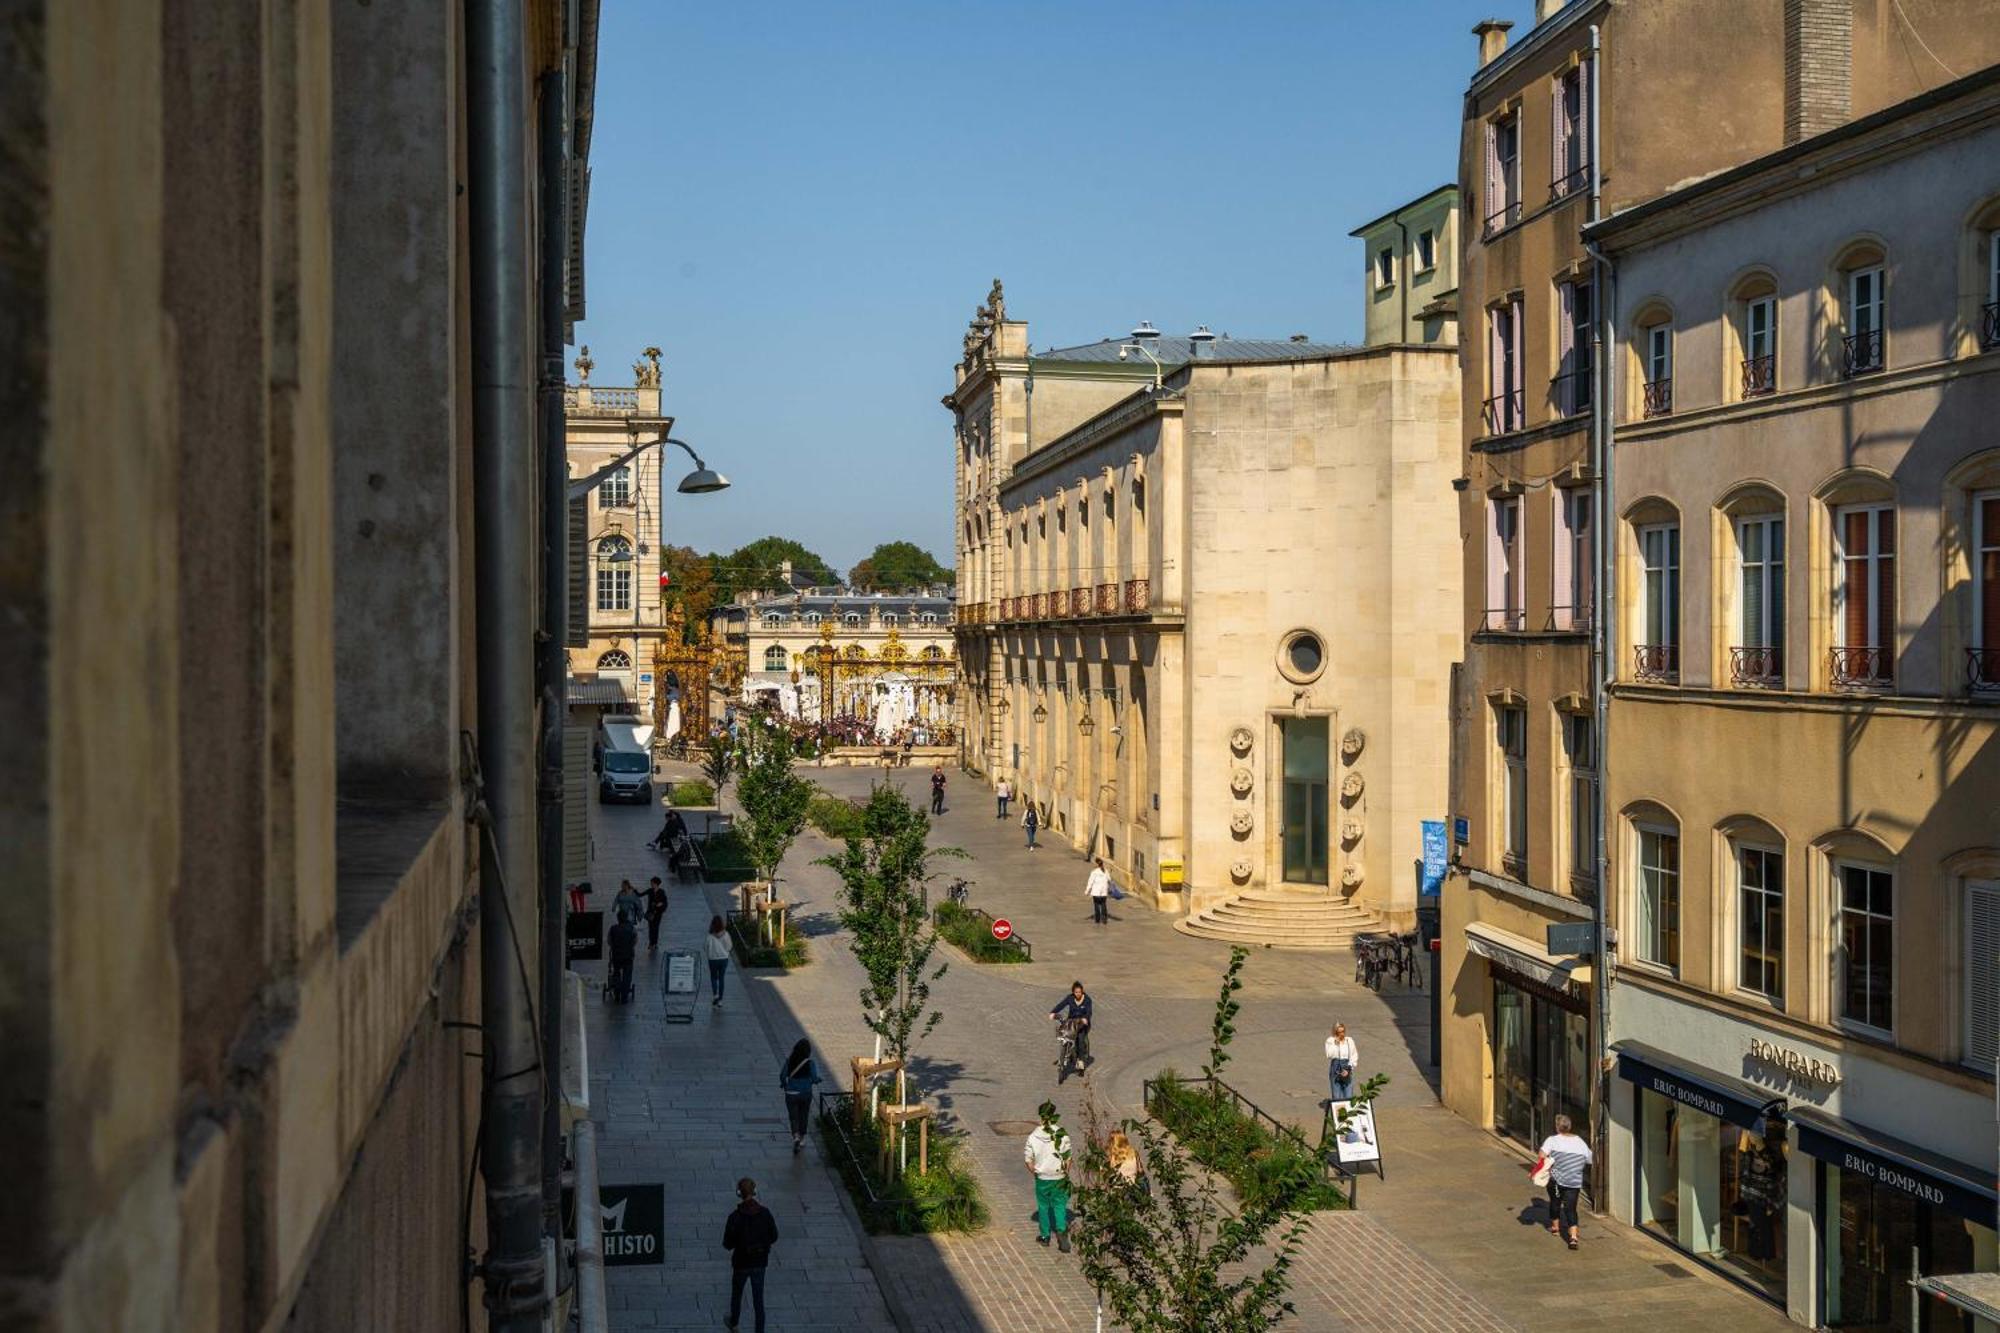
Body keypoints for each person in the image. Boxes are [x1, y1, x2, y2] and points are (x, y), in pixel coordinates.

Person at [721, 1176, 778, 1332]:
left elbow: (727, 1244)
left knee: (737, 1294)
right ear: (755, 1191)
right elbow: (774, 1236)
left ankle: (734, 1322)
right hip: (760, 1262)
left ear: (739, 1193)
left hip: (741, 1263)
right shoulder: (765, 1213)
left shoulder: (734, 1217)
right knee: (758, 1300)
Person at [1538, 1114, 1595, 1250]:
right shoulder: (1580, 1141)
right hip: (1573, 1182)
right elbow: (1590, 1160)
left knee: (1555, 1202)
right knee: (1571, 1208)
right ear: (1569, 1127)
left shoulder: (1552, 1140)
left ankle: (1556, 1228)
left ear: (1557, 1127)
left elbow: (1541, 1155)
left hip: (1556, 1180)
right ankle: (1573, 1238)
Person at [1023, 1102, 1072, 1252]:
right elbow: (1068, 1157)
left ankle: (1045, 1236)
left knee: (1043, 1207)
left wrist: (1036, 1172)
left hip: (1042, 1177)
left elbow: (1028, 1160)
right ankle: (1062, 1232)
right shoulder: (1062, 1134)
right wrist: (1065, 1172)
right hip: (1059, 1175)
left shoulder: (1033, 1137)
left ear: (1040, 1116)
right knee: (1059, 1205)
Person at [779, 1038, 821, 1155]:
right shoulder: (810, 1063)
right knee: (804, 1115)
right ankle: (802, 1138)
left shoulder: (789, 1061)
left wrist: (784, 1084)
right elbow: (814, 1078)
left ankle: (795, 1136)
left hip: (791, 1093)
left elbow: (782, 1075)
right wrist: (817, 1080)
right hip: (805, 1093)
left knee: (793, 1117)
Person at [1050, 980, 1093, 1069]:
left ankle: (1081, 1060)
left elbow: (1089, 1012)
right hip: (1071, 1022)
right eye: (1076, 992)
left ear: (1082, 991)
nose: (1078, 994)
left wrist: (1085, 1018)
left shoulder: (1087, 1000)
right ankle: (1063, 1055)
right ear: (1073, 992)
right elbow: (1061, 1005)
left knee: (1080, 1039)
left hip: (1082, 1024)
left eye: (1080, 992)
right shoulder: (1070, 998)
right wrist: (1053, 1012)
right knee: (1064, 1035)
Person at [606, 914, 637, 1003]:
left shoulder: (613, 928)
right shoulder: (632, 929)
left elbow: (609, 941)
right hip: (628, 955)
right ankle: (624, 996)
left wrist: (614, 946)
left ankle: (617, 992)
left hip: (616, 955)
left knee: (616, 972)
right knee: (627, 975)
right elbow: (635, 940)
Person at [1325, 1023, 1358, 1103]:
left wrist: (1348, 1068)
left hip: (1346, 1065)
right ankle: (1338, 1113)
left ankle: (1348, 1113)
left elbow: (1354, 1055)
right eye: (1338, 1032)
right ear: (1335, 1033)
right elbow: (1329, 1055)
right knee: (1336, 1096)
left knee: (1348, 1095)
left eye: (1343, 1031)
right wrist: (1336, 1043)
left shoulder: (1349, 1040)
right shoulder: (1330, 1041)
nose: (1341, 1034)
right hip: (1335, 1067)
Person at [705, 915, 732, 1005]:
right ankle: (720, 1000)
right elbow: (729, 947)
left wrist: (710, 953)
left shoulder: (710, 935)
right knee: (721, 978)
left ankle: (715, 994)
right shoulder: (726, 934)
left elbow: (705, 947)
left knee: (713, 977)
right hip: (723, 959)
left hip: (712, 959)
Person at [1085, 858, 1112, 925]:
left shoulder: (1094, 872)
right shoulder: (1105, 871)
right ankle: (1104, 919)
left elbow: (1090, 882)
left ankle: (1097, 919)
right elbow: (1109, 879)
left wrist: (1087, 891)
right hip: (1104, 892)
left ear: (1097, 864)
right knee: (1103, 904)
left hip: (1096, 892)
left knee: (1096, 905)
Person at [644, 877, 669, 952]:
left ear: (656, 884)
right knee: (651, 928)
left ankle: (654, 943)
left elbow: (665, 902)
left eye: (652, 883)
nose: (651, 884)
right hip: (651, 913)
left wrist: (660, 904)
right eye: (651, 883)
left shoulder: (661, 892)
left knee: (656, 928)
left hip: (658, 913)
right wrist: (633, 890)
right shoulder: (650, 891)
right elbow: (640, 894)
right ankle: (651, 943)